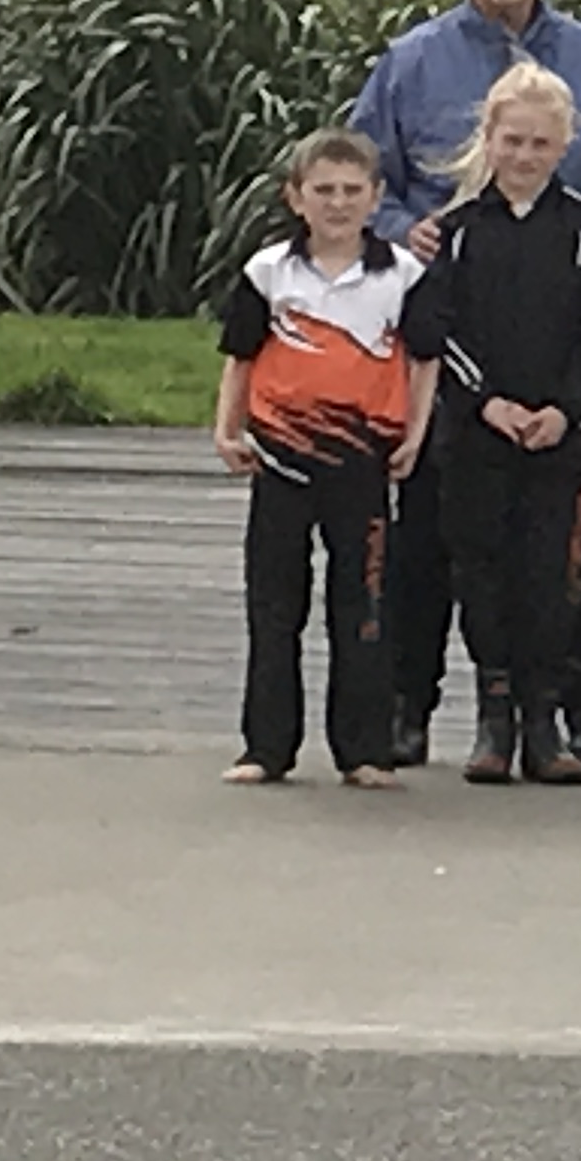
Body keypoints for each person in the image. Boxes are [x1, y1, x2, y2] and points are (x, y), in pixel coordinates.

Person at [349, 0, 581, 772]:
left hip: (561, 323)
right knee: (432, 526)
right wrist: (406, 232)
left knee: (560, 535)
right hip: (448, 325)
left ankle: (578, 709)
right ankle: (410, 704)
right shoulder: (412, 61)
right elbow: (362, 173)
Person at [401, 60, 581, 787]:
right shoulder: (457, 232)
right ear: (489, 138)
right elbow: (439, 329)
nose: (525, 155)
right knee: (482, 572)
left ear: (563, 146)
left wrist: (565, 411)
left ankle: (543, 718)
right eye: (513, 140)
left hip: (558, 443)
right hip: (477, 438)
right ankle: (494, 716)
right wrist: (487, 402)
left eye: (540, 143)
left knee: (549, 575)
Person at [210, 128, 427, 788]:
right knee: (274, 607)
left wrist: (415, 434)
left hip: (363, 465)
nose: (338, 203)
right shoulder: (269, 272)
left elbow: (425, 361)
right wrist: (226, 429)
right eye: (323, 190)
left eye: (351, 190)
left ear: (376, 197)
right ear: (295, 197)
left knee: (363, 609)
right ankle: (265, 748)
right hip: (279, 463)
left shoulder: (402, 275)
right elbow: (240, 356)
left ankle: (364, 750)